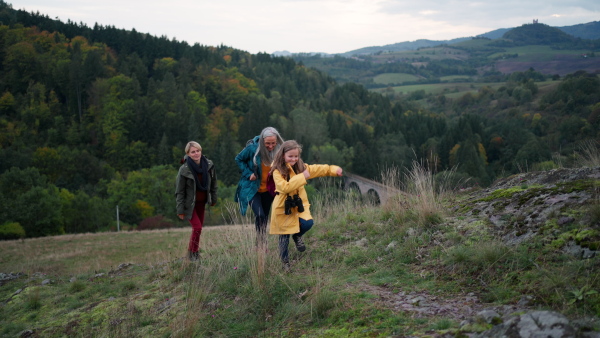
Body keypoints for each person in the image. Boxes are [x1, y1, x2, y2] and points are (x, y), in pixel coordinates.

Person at [269, 140, 343, 270]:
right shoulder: (277, 170)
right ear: (282, 156)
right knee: (284, 236)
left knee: (308, 222)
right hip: (283, 207)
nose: (294, 159)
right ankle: (285, 262)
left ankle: (297, 236)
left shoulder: (301, 167)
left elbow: (319, 169)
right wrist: (302, 177)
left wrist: (334, 169)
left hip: (298, 205)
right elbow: (284, 187)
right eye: (290, 156)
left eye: (296, 156)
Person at [234, 127, 284, 246]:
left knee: (264, 217)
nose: (271, 146)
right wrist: (249, 173)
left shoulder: (280, 151)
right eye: (267, 143)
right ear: (262, 141)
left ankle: (260, 243)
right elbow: (238, 159)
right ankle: (261, 243)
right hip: (253, 188)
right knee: (260, 214)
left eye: (273, 143)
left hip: (269, 190)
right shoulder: (252, 149)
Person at [175, 141, 217, 261]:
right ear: (188, 154)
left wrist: (213, 199)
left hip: (201, 202)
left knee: (198, 229)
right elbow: (179, 191)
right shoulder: (184, 170)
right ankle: (193, 253)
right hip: (189, 205)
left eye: (198, 151)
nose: (196, 153)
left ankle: (193, 253)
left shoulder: (209, 165)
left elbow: (214, 184)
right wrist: (180, 210)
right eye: (193, 152)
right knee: (197, 227)